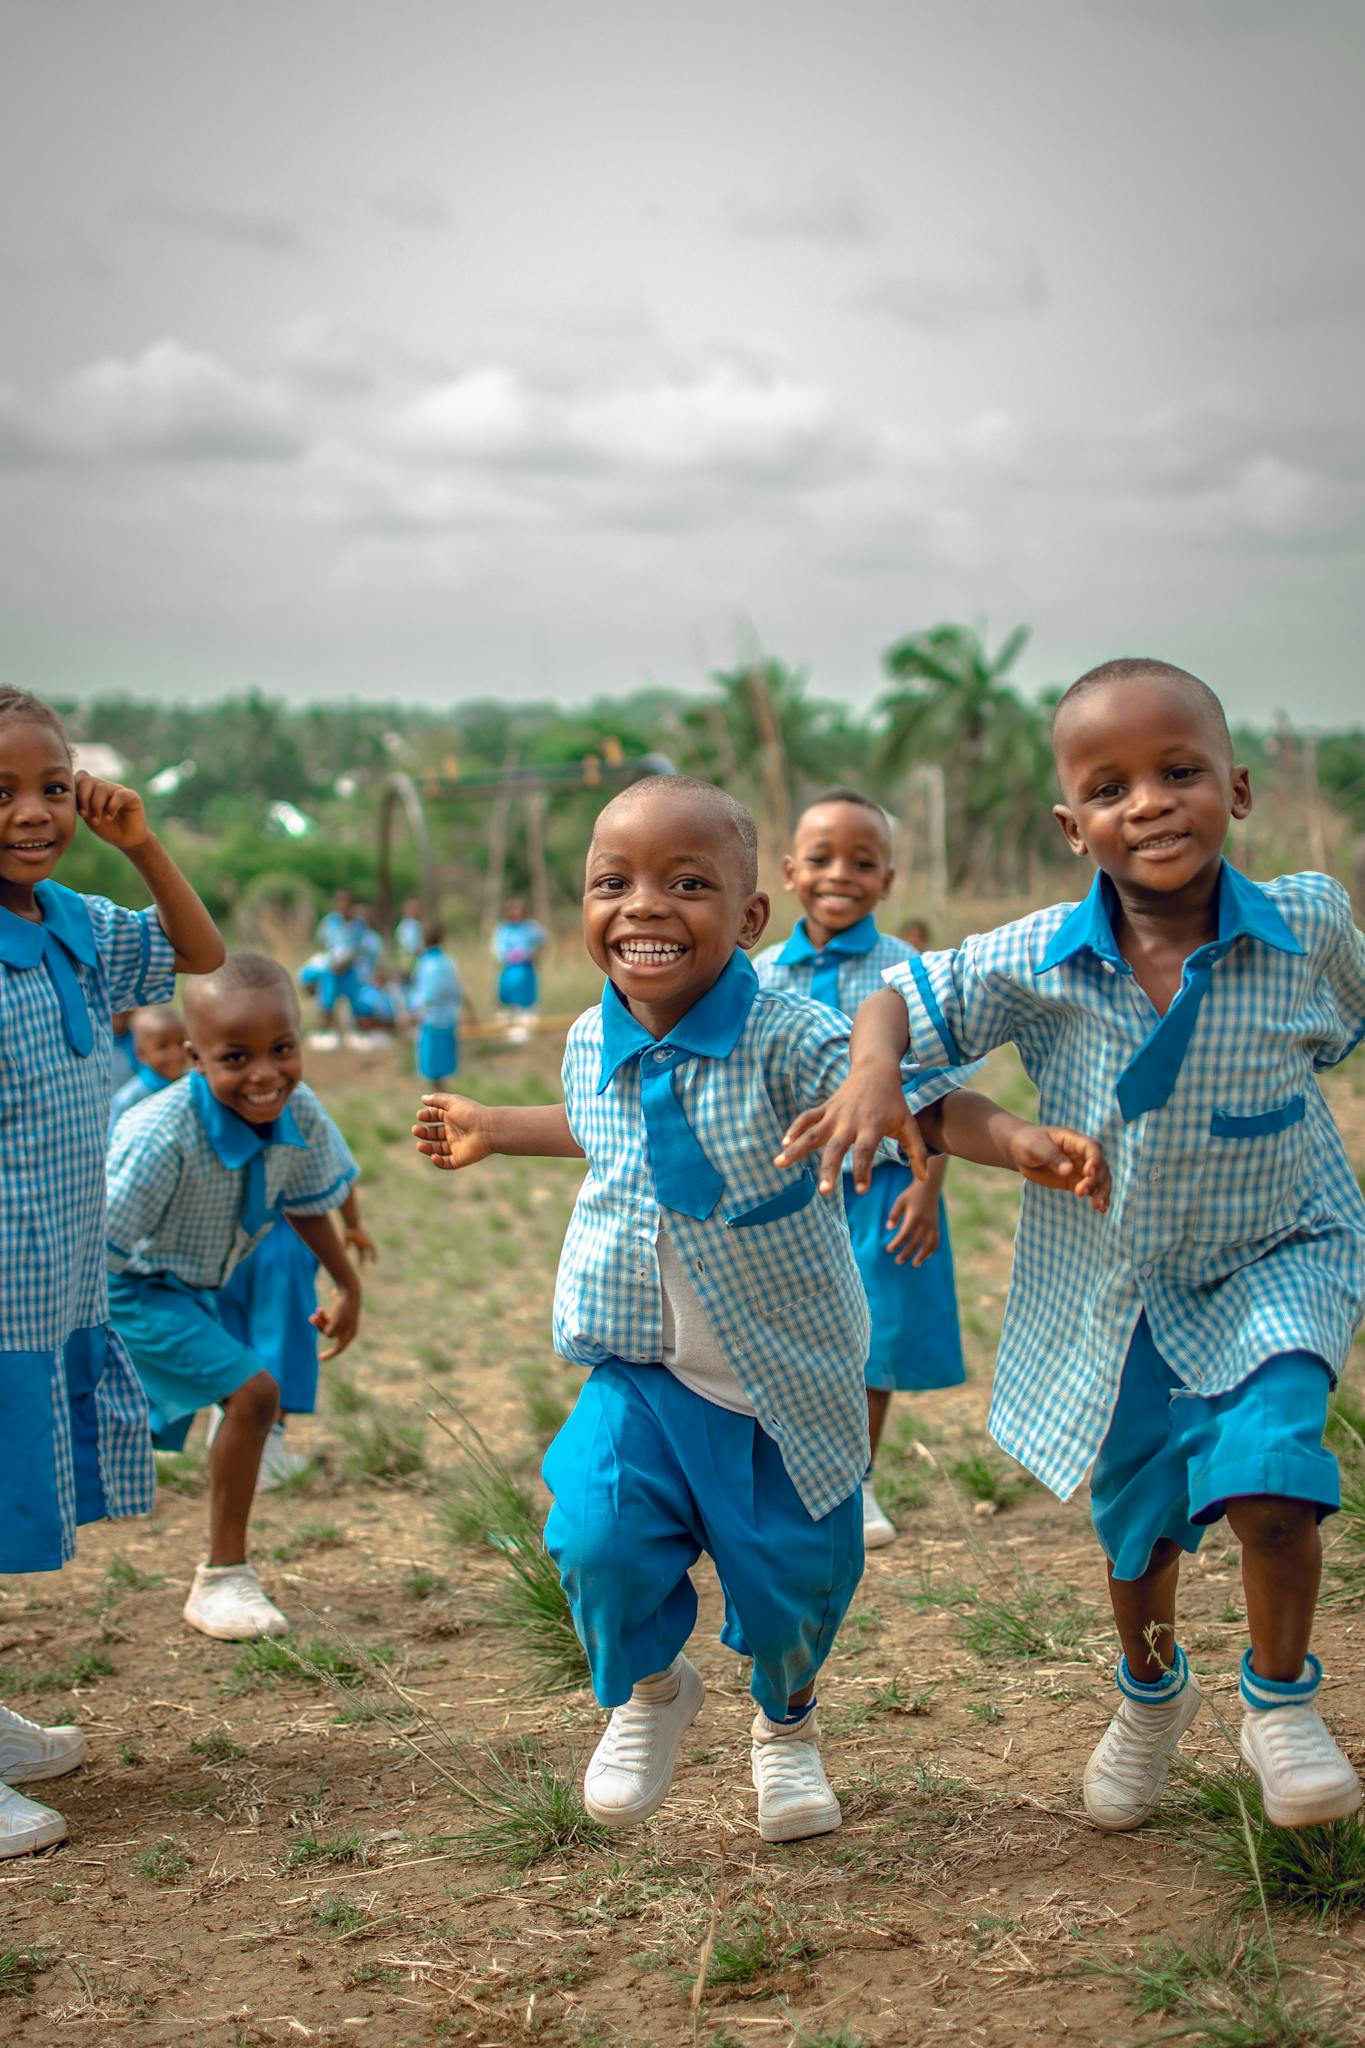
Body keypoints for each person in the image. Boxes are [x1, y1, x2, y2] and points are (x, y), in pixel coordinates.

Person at [415, 777, 1089, 1841]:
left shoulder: (788, 1032)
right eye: (613, 881)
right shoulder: (593, 1038)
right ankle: (651, 1689)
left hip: (783, 1380)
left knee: (791, 1592)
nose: (643, 904)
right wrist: (497, 1122)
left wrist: (1012, 1140)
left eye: (687, 882)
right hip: (639, 1362)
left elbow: (918, 1093)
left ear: (748, 916)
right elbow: (605, 1124)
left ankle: (787, 1726)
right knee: (593, 1537)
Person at [780, 658, 1365, 1833]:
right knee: (1138, 1524)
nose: (1147, 802)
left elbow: (1341, 1028)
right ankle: (1151, 1689)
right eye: (1110, 786)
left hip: (1282, 1248)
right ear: (1071, 824)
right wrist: (882, 1070)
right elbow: (899, 1001)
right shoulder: (1035, 955)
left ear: (1237, 789)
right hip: (1121, 1284)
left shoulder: (1308, 921)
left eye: (1179, 771)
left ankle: (1282, 1698)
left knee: (1272, 1474)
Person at [0, 686, 223, 1860]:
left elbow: (199, 951)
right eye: (2, 791)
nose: (33, 811)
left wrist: (140, 842)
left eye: (52, 784)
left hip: (50, 1288)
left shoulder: (73, 922)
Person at [107, 953, 363, 1642]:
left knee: (248, 1399)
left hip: (195, 1288)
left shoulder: (294, 1106)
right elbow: (99, 1244)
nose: (263, 1074)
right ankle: (222, 1579)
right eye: (235, 1057)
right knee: (253, 1395)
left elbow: (306, 1196)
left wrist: (346, 1280)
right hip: (127, 1286)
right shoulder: (164, 1135)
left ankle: (224, 1575)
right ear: (195, 1057)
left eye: (282, 1049)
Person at [754, 790, 967, 1549]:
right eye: (820, 859)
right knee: (785, 1331)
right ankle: (787, 1475)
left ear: (887, 878)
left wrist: (924, 1185)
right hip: (786, 1193)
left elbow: (938, 1089)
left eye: (862, 861)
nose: (839, 874)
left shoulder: (907, 969)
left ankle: (856, 1481)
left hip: (883, 1184)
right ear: (787, 872)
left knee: (872, 1332)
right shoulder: (758, 972)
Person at [215, 1184, 377, 1489]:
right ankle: (265, 1451)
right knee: (281, 1342)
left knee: (227, 1337)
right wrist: (352, 1223)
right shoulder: (302, 1132)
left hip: (220, 1235)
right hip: (285, 1233)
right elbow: (331, 1164)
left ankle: (226, 1429)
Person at [107, 1004, 189, 1134]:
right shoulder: (128, 1100)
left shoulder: (192, 1086)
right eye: (162, 1047)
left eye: (180, 1043)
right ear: (141, 1053)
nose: (175, 1054)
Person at [409, 920, 464, 1088]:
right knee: (443, 1071)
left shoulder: (427, 964)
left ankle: (438, 1109)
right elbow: (457, 990)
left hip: (431, 1021)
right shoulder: (448, 962)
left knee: (432, 1072)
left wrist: (414, 1012)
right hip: (448, 1020)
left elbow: (428, 994)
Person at [311, 889, 369, 1048]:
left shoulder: (359, 925)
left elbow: (361, 946)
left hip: (350, 970)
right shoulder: (329, 923)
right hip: (332, 969)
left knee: (354, 1000)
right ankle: (323, 1032)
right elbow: (321, 944)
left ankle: (352, 1032)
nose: (343, 906)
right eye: (340, 903)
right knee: (327, 1001)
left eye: (347, 903)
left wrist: (349, 960)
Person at [491, 894, 547, 1041]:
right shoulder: (503, 929)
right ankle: (507, 1031)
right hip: (509, 970)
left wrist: (535, 953)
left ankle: (523, 1032)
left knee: (525, 1001)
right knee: (508, 1001)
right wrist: (507, 956)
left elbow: (544, 939)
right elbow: (497, 949)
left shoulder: (530, 928)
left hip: (525, 969)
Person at [394, 895, 425, 972]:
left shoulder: (402, 925)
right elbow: (414, 946)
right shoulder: (413, 925)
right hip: (412, 963)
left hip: (405, 963)